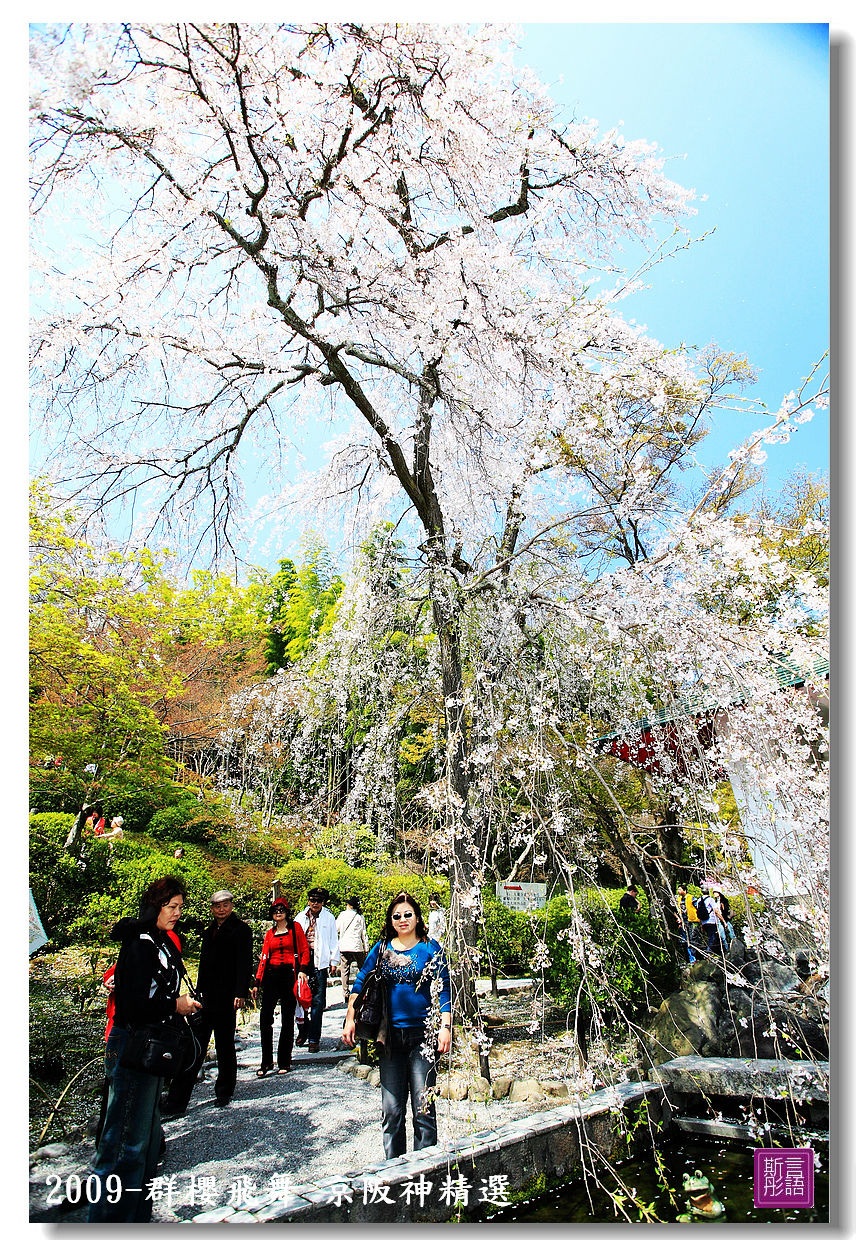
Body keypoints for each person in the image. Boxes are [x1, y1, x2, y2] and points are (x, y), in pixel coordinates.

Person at [87, 876, 200, 1223]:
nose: (178, 913)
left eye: (181, 907)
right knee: (124, 1143)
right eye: (172, 907)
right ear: (156, 906)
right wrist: (174, 1005)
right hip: (134, 1045)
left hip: (152, 1048)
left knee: (147, 1144)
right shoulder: (138, 941)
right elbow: (133, 1004)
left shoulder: (163, 942)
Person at [342, 891, 452, 1160]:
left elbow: (445, 989)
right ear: (390, 920)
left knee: (423, 1107)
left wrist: (445, 1027)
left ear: (417, 917)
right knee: (392, 1111)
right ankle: (395, 1170)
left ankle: (424, 1169)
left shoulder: (430, 948)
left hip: (423, 1037)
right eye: (397, 916)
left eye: (408, 914)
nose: (402, 920)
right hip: (389, 1037)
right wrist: (349, 1019)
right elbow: (360, 983)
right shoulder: (381, 949)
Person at [162, 890, 253, 1115]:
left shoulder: (241, 930)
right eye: (216, 906)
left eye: (225, 905)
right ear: (211, 908)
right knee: (194, 1046)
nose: (221, 909)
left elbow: (244, 963)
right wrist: (198, 991)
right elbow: (203, 965)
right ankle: (177, 1100)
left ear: (231, 905)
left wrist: (240, 992)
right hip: (206, 996)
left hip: (228, 995)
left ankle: (224, 1090)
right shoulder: (208, 931)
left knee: (224, 1044)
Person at [252, 898, 310, 1075]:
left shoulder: (295, 929)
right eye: (275, 910)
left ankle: (284, 1061)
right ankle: (266, 1061)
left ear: (287, 911)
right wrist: (257, 982)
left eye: (282, 909)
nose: (278, 912)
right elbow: (264, 957)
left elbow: (304, 950)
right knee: (265, 1019)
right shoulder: (270, 933)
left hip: (289, 975)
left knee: (287, 1019)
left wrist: (303, 970)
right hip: (271, 976)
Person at [295, 888, 340, 1053]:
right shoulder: (300, 917)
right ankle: (303, 1029)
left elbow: (333, 939)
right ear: (308, 901)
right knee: (300, 998)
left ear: (323, 902)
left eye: (318, 901)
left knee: (318, 1001)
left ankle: (314, 1038)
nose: (315, 904)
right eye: (312, 900)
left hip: (320, 961)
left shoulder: (329, 917)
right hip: (302, 962)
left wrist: (333, 960)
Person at [336, 896, 369, 1000]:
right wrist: (366, 947)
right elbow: (364, 933)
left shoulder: (342, 915)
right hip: (356, 946)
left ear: (349, 905)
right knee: (363, 968)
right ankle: (364, 989)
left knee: (344, 969)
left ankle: (345, 992)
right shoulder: (359, 917)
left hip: (344, 945)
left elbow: (336, 929)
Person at [675, 886, 696, 964]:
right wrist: (678, 918)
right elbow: (675, 910)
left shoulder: (691, 898)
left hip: (690, 921)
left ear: (685, 890)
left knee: (691, 939)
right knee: (684, 940)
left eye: (680, 889)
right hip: (682, 922)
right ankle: (689, 958)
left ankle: (693, 958)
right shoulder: (678, 900)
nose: (678, 890)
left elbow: (696, 907)